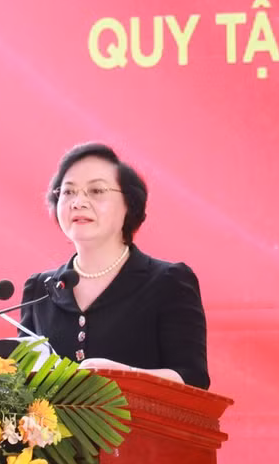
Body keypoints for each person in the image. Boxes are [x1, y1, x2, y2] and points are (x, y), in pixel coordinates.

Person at [19, 143, 210, 389]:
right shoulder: (40, 289)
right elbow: (23, 384)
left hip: (141, 426)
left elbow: (193, 379)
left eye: (96, 191)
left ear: (129, 204)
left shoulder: (168, 281)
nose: (78, 202)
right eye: (67, 192)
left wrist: (125, 375)